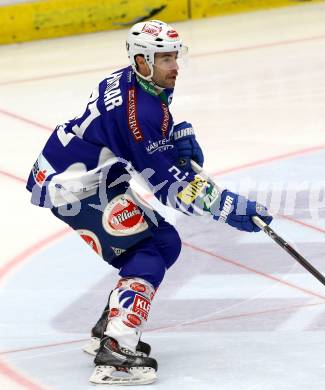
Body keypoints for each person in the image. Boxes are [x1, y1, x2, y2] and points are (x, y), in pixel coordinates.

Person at [26, 19, 273, 385]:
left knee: (164, 242)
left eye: (175, 56)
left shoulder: (131, 79)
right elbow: (169, 188)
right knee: (147, 254)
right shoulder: (140, 113)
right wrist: (227, 206)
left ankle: (113, 322)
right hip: (74, 187)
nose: (175, 66)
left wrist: (173, 139)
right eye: (165, 59)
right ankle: (116, 349)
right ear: (142, 60)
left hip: (86, 173)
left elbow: (135, 135)